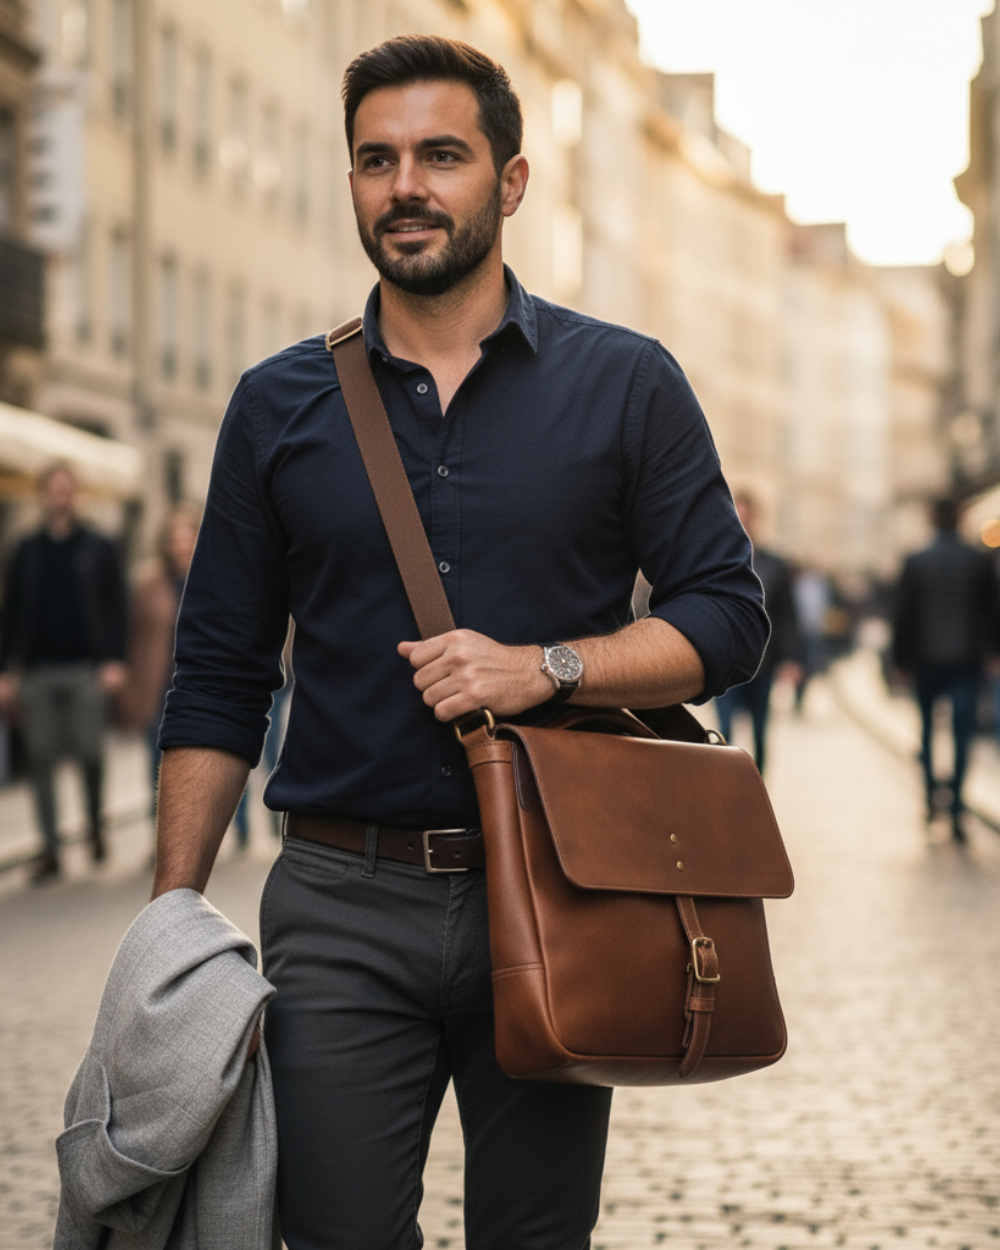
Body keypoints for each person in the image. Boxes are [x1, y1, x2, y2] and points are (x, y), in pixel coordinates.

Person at [153, 36, 767, 1250]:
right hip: (339, 897)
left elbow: (727, 614)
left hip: (557, 887)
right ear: (351, 187)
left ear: (513, 180)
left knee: (533, 1238)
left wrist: (550, 667)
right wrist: (169, 918)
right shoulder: (277, 405)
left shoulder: (626, 383)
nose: (406, 186)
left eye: (441, 154)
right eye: (376, 161)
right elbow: (218, 672)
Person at [0, 464, 127, 883]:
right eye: (54, 490)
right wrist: (6, 671)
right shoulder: (26, 550)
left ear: (77, 495)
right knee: (40, 760)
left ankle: (93, 823)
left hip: (86, 669)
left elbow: (116, 607)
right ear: (43, 496)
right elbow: (10, 613)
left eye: (67, 490)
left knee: (91, 754)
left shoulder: (98, 546)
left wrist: (114, 659)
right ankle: (50, 849)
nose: (61, 497)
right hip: (37, 672)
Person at [892, 497, 1000, 841]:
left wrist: (899, 662)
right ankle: (956, 803)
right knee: (962, 733)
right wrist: (993, 653)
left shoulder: (915, 560)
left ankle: (928, 797)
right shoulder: (979, 560)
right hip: (966, 659)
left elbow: (903, 615)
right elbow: (992, 613)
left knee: (925, 730)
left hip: (925, 660)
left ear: (932, 520)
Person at [118, 504, 201, 825]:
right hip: (159, 686)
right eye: (175, 538)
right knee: (156, 764)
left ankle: (228, 831)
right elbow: (132, 634)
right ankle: (160, 836)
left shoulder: (211, 576)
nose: (181, 545)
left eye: (187, 536)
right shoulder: (149, 582)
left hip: (200, 683)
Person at [714, 493, 801, 773]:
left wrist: (791, 659)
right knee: (725, 730)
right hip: (724, 663)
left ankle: (758, 792)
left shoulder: (775, 565)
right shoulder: (714, 561)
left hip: (763, 663)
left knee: (760, 731)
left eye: (747, 516)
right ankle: (725, 792)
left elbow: (787, 615)